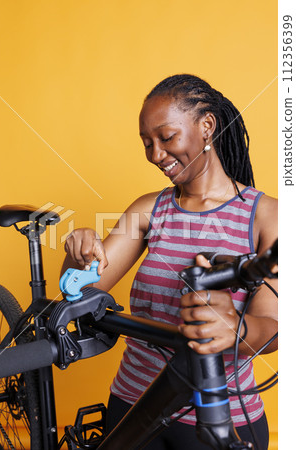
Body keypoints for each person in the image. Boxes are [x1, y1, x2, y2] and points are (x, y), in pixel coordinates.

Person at [61, 74, 278, 449]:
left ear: (207, 126)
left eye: (166, 137)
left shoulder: (266, 216)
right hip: (134, 404)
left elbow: (275, 328)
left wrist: (234, 328)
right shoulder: (150, 209)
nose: (156, 155)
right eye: (147, 144)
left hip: (219, 414)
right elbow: (84, 290)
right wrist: (76, 253)